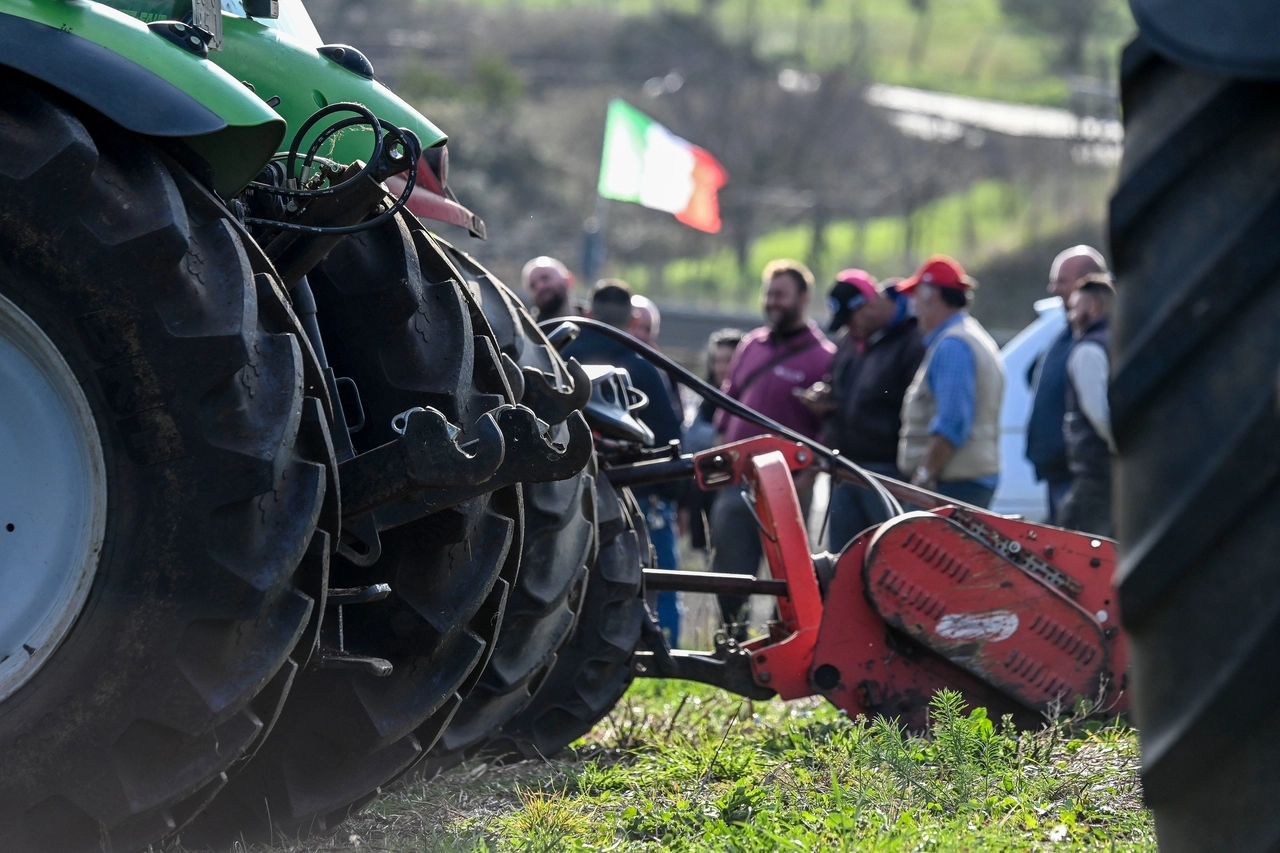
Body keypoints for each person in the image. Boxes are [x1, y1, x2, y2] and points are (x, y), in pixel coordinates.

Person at [711, 259, 836, 637]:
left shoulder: (824, 357)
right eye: (769, 294)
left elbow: (827, 434)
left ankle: (793, 649)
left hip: (787, 490)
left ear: (803, 297)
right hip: (736, 484)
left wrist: (809, 478)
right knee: (729, 577)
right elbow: (726, 407)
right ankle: (730, 647)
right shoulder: (751, 345)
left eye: (781, 294)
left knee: (791, 582)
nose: (773, 302)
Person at [562, 281, 684, 642]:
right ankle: (661, 655)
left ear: (587, 314)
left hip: (569, 492)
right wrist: (672, 492)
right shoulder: (644, 369)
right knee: (657, 580)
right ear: (633, 320)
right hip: (637, 494)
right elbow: (668, 433)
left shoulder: (561, 361)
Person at [804, 270, 924, 552]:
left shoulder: (912, 339)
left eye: (850, 318)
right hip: (846, 469)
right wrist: (825, 395)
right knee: (843, 561)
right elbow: (836, 382)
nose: (847, 327)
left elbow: (916, 406)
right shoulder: (851, 339)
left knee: (889, 559)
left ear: (869, 305)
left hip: (888, 472)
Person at [896, 255, 1005, 508]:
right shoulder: (968, 335)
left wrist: (924, 475)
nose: (912, 306)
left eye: (915, 295)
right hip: (963, 481)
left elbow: (952, 420)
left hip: (952, 486)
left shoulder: (952, 345)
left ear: (931, 297)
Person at [1026, 246, 1108, 523]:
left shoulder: (1094, 340)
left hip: (1080, 475)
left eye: (1060, 280)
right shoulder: (1069, 331)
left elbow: (1100, 412)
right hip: (1060, 472)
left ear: (1087, 280)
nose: (1053, 288)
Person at [1059, 275, 1116, 536]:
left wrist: (1120, 447)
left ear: (1093, 308)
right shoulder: (1117, 341)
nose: (1070, 316)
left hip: (1096, 476)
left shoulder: (1088, 350)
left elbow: (1100, 414)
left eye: (1074, 307)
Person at [521, 255, 578, 321]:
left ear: (568, 280)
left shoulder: (591, 320)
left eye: (545, 278)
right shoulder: (527, 330)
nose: (540, 287)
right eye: (532, 285)